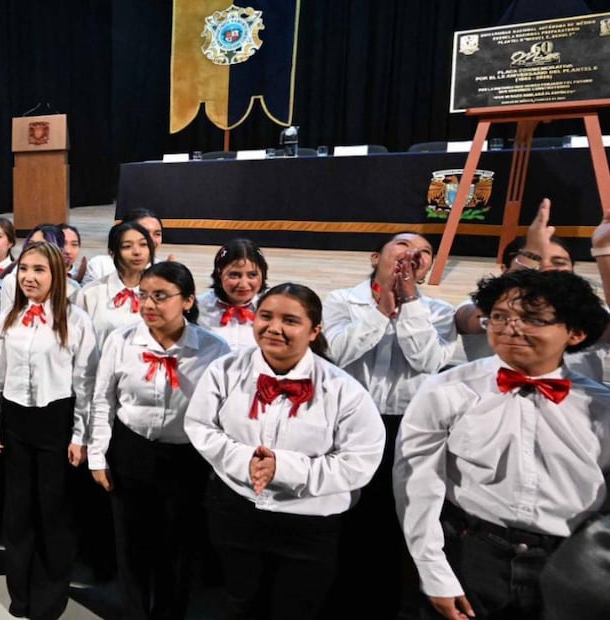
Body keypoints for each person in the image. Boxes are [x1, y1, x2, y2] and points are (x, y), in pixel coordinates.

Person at [394, 269, 610, 620]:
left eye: (533, 319)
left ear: (576, 332)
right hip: (471, 550)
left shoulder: (601, 406)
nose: (511, 327)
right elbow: (416, 485)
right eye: (500, 316)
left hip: (569, 558)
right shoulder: (447, 389)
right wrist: (434, 573)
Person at [185, 283, 385, 619]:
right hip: (235, 509)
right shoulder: (225, 370)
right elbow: (200, 426)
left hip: (308, 521)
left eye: (290, 321)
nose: (274, 328)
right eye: (266, 316)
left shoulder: (343, 389)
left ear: (314, 331)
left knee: (296, 609)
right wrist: (245, 461)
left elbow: (359, 462)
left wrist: (285, 468)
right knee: (239, 601)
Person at [322, 231, 456, 618]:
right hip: (349, 423)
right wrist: (380, 311)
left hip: (408, 428)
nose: (413, 253)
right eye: (402, 245)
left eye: (425, 251)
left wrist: (410, 303)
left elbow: (426, 360)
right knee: (345, 516)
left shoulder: (439, 312)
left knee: (398, 522)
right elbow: (337, 353)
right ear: (374, 256)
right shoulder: (341, 301)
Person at [88, 261, 230, 619]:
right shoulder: (121, 341)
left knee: (178, 547)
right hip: (131, 449)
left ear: (187, 301)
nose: (149, 305)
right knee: (131, 544)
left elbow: (222, 414)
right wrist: (97, 455)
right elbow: (103, 398)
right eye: (144, 296)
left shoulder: (214, 350)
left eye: (161, 296)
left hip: (185, 459)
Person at [0, 242, 98, 620]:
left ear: (56, 276)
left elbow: (85, 381)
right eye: (25, 269)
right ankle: (21, 591)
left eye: (39, 270)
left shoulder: (74, 320)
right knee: (18, 509)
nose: (29, 277)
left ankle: (49, 595)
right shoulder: (8, 317)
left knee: (54, 511)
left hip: (56, 421)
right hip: (15, 420)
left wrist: (80, 434)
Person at [456, 198, 610, 382]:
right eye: (537, 260)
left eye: (558, 262)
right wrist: (529, 256)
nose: (547, 268)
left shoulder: (589, 312)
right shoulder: (477, 308)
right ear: (505, 270)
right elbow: (469, 320)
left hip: (575, 407)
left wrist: (603, 251)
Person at [78, 221, 155, 349]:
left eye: (143, 244)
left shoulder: (160, 292)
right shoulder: (91, 293)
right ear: (112, 252)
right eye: (127, 246)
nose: (137, 252)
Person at [197, 238, 268, 351]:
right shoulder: (198, 308)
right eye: (234, 275)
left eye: (252, 275)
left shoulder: (273, 307)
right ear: (219, 273)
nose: (243, 284)